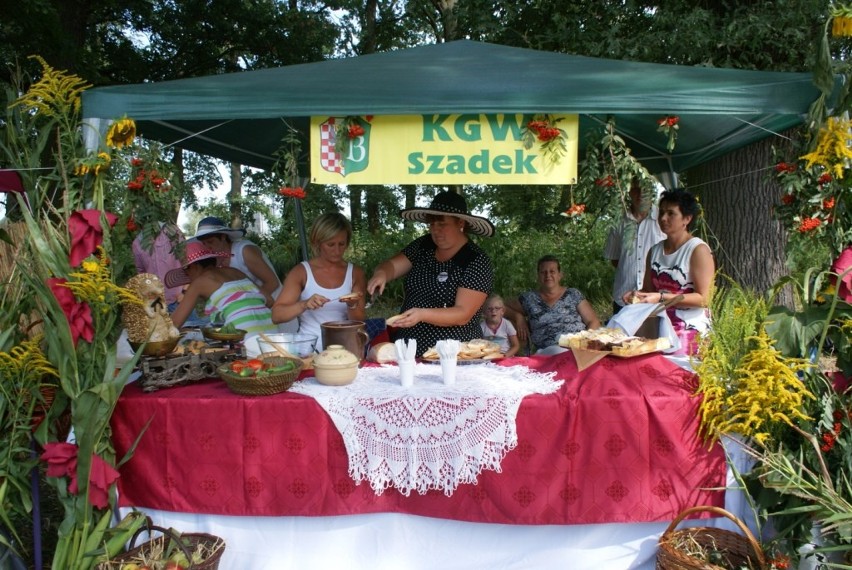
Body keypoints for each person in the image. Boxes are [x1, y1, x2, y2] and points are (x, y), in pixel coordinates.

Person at [366, 191, 494, 357]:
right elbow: (391, 265)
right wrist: (381, 274)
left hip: (452, 352)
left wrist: (422, 314)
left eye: (442, 224)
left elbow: (463, 313)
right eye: (432, 224)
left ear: (460, 223)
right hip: (408, 347)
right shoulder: (423, 245)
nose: (435, 230)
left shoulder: (476, 260)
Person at [622, 188, 713, 356]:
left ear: (687, 218)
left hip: (689, 332)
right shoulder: (655, 250)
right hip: (658, 327)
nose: (663, 218)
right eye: (661, 212)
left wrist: (661, 297)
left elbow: (704, 299)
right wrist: (636, 295)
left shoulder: (697, 250)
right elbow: (648, 289)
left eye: (671, 213)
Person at [271, 213, 367, 351]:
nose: (337, 250)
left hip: (344, 349)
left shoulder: (355, 273)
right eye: (331, 244)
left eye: (342, 244)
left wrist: (353, 305)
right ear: (317, 243)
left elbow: (360, 321)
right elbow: (277, 315)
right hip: (308, 350)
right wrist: (304, 304)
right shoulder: (301, 272)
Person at [165, 239, 281, 337]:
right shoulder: (236, 272)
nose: (187, 276)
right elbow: (269, 300)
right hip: (272, 332)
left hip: (243, 337)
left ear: (194, 266)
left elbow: (174, 323)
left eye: (186, 270)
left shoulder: (199, 282)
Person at [506, 255, 601, 355]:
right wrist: (518, 317)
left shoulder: (573, 294)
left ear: (560, 275)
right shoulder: (529, 299)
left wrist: (585, 342)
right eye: (543, 272)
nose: (548, 275)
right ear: (538, 276)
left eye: (552, 271)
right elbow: (498, 306)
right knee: (557, 351)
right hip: (548, 352)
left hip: (578, 348)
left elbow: (593, 321)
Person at [604, 177, 666, 316]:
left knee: (654, 337)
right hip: (623, 297)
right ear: (629, 191)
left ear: (652, 191)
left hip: (656, 297)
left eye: (645, 189)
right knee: (619, 337)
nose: (641, 194)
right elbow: (615, 259)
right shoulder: (619, 221)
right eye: (636, 189)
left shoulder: (664, 219)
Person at [192, 216, 283, 308]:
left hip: (277, 307)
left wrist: (249, 304)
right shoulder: (216, 260)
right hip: (249, 314)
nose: (207, 247)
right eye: (204, 243)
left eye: (210, 242)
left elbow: (272, 282)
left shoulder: (244, 251)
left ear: (223, 237)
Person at [131, 222, 185, 311]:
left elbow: (187, 261)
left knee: (191, 324)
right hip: (157, 303)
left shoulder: (172, 232)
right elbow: (142, 273)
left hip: (180, 299)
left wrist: (185, 292)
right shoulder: (137, 243)